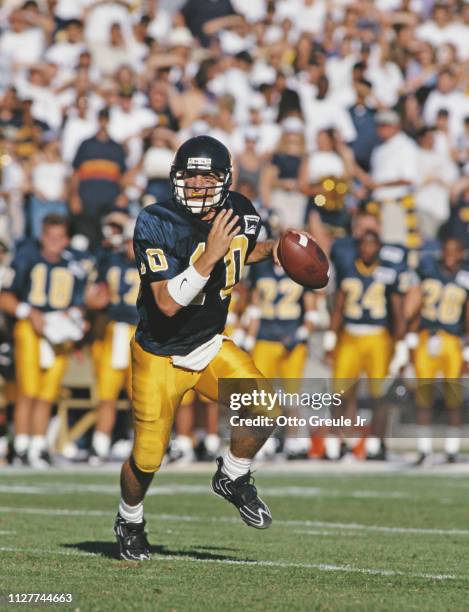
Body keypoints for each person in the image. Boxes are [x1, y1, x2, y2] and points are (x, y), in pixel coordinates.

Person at [114, 136, 295, 561]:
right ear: (176, 177)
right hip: (160, 354)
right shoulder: (155, 221)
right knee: (148, 457)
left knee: (267, 407)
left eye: (207, 175)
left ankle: (232, 475)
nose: (197, 183)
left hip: (210, 346)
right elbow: (166, 302)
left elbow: (243, 252)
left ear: (225, 180)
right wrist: (208, 256)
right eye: (189, 175)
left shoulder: (241, 212)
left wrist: (277, 250)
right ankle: (130, 518)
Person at [0, 214, 87, 467]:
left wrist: (78, 314)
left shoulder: (75, 266)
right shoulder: (27, 258)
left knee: (47, 394)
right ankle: (22, 445)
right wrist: (29, 312)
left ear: (67, 239)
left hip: (60, 333)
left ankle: (38, 446)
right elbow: (5, 297)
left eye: (59, 237)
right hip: (31, 328)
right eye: (49, 236)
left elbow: (82, 305)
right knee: (28, 391)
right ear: (42, 236)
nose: (54, 242)